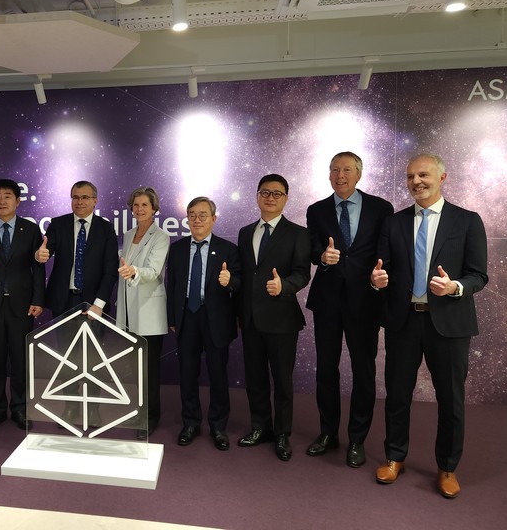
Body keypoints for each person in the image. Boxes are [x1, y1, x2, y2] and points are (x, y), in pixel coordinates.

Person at [371, 154, 487, 498]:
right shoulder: (393, 223)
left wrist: (455, 287)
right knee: (397, 394)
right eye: (410, 176)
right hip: (403, 321)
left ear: (442, 177)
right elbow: (381, 269)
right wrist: (376, 281)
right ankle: (395, 457)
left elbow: (478, 275)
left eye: (423, 175)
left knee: (451, 399)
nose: (416, 182)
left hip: (449, 324)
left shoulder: (467, 221)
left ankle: (447, 467)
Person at [305, 152, 393, 467]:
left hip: (365, 301)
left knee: (363, 371)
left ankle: (357, 439)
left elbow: (385, 252)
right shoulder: (316, 210)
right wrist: (321, 256)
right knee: (326, 369)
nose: (339, 175)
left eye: (346, 170)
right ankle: (328, 433)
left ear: (358, 174)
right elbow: (312, 249)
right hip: (327, 301)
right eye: (334, 170)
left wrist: (379, 277)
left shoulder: (381, 208)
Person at [236, 175, 311, 461]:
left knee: (282, 381)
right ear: (257, 196)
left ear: (286, 199)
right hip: (251, 319)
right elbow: (246, 275)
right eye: (265, 192)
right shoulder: (245, 232)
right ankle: (260, 427)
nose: (270, 198)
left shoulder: (298, 233)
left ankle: (282, 434)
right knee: (255, 378)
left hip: (282, 319)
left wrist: (284, 286)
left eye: (277, 194)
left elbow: (302, 274)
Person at [34, 180, 118, 426]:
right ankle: (71, 406)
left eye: (85, 197)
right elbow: (45, 251)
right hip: (64, 301)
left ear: (95, 200)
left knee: (93, 359)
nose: (79, 202)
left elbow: (110, 270)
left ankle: (92, 408)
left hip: (94, 305)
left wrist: (99, 304)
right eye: (75, 197)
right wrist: (40, 255)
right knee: (66, 357)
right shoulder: (58, 224)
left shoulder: (106, 229)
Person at [166, 196, 240, 451]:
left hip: (216, 318)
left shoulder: (228, 249)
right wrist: (172, 318)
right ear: (187, 219)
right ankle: (191, 423)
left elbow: (239, 284)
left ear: (214, 219)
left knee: (218, 374)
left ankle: (218, 426)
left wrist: (230, 281)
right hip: (187, 316)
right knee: (188, 373)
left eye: (202, 215)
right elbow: (172, 286)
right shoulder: (177, 248)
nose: (197, 220)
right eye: (192, 215)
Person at [0, 179, 45, 433]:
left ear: (17, 201)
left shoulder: (30, 229)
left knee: (20, 359)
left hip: (21, 305)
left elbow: (37, 268)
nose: (2, 201)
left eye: (7, 196)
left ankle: (20, 407)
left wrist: (38, 299)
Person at [116, 186, 170, 440]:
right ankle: (140, 411)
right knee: (135, 367)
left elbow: (153, 271)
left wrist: (134, 271)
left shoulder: (161, 237)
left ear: (154, 208)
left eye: (144, 205)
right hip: (128, 310)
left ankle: (150, 417)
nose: (139, 209)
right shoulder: (128, 235)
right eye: (135, 205)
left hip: (149, 310)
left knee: (149, 369)